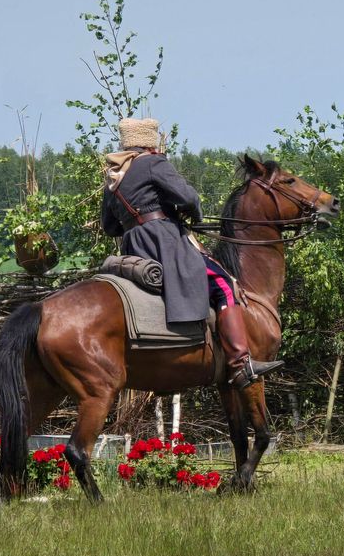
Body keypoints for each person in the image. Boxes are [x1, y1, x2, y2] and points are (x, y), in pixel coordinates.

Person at [100, 117, 282, 388]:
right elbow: (188, 197)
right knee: (223, 282)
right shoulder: (152, 163)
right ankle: (241, 362)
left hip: (133, 247)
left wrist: (137, 222)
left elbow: (109, 226)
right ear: (150, 142)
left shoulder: (114, 175)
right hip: (164, 243)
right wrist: (192, 214)